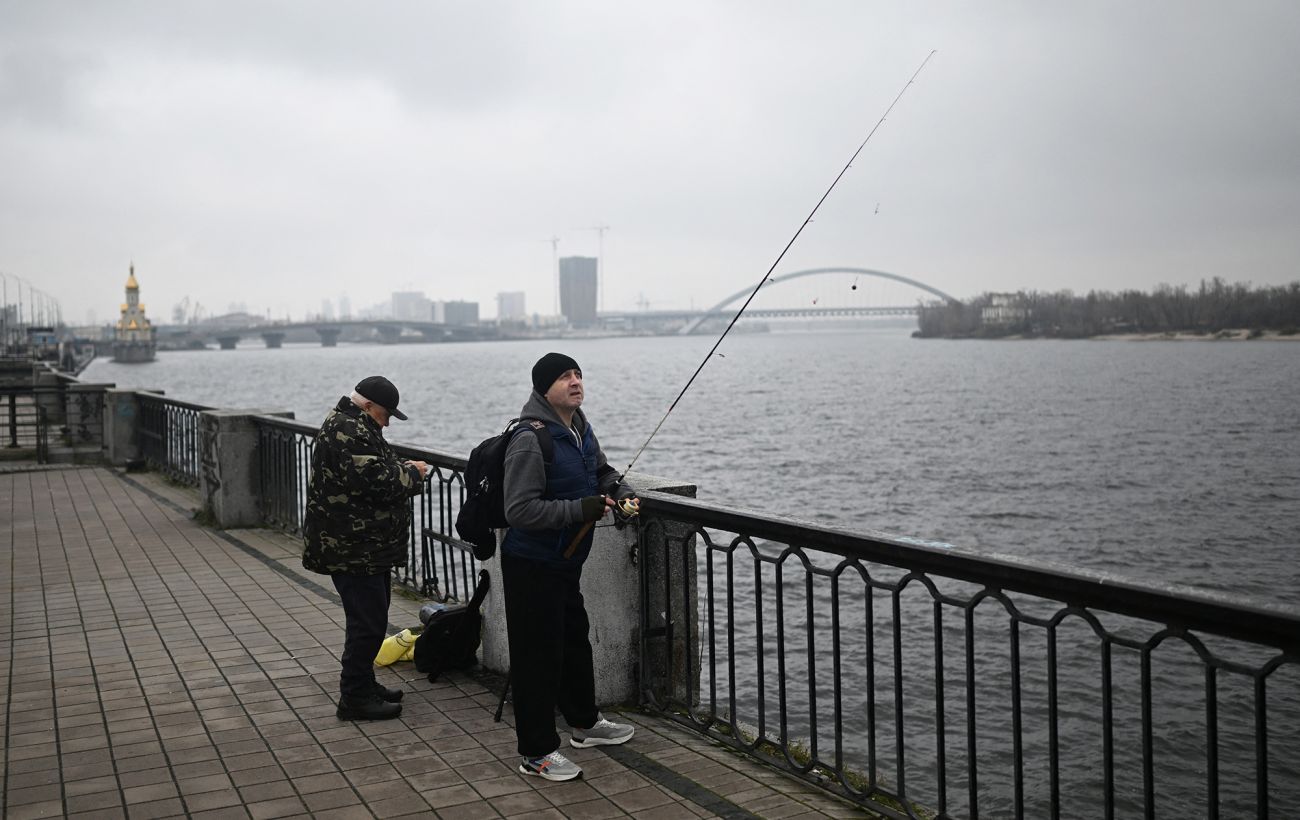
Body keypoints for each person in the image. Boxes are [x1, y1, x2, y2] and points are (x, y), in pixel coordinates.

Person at [500, 352, 639, 781]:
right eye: (564, 376)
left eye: (578, 373)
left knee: (574, 642)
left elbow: (600, 471)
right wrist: (581, 509)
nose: (575, 382)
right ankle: (536, 752)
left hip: (564, 562)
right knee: (537, 659)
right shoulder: (529, 438)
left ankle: (583, 724)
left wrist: (621, 491)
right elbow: (519, 510)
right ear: (545, 389)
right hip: (531, 564)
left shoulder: (579, 427)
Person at [303, 376, 430, 721]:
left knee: (370, 618)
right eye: (386, 414)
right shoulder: (348, 430)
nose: (387, 422)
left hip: (361, 545)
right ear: (369, 406)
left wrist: (399, 469)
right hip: (353, 547)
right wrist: (413, 474)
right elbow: (376, 481)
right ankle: (354, 698)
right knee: (367, 623)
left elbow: (368, 472)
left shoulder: (349, 423)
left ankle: (364, 683)